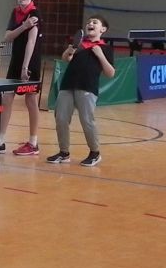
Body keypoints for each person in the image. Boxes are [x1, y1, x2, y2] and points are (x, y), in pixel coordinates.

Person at [0, 0, 44, 157]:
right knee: (7, 99)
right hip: (15, 61)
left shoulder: (35, 14)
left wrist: (25, 67)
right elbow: (7, 37)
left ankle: (33, 143)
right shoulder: (15, 13)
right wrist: (24, 26)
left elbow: (31, 42)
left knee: (31, 100)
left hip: (30, 62)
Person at [47, 16, 115, 167]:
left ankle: (95, 153)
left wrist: (100, 54)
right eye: (89, 22)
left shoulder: (105, 48)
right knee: (61, 118)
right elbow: (66, 58)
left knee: (87, 121)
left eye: (95, 22)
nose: (90, 24)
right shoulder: (80, 45)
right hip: (67, 85)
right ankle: (64, 153)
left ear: (103, 29)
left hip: (87, 87)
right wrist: (71, 49)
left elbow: (110, 73)